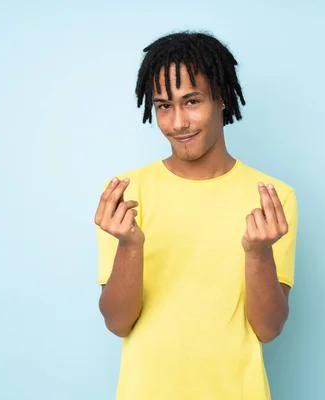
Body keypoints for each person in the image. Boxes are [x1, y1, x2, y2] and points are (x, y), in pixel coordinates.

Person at [94, 31, 298, 400]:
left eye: (191, 101)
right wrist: (129, 246)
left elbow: (268, 329)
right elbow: (117, 322)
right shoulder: (126, 194)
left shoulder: (272, 197)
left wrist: (258, 253)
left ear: (220, 97)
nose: (178, 123)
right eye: (163, 106)